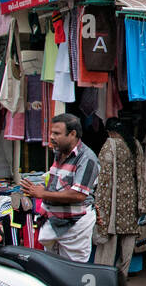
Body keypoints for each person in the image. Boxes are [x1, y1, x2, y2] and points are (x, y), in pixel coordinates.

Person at [23, 113, 100, 264]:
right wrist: (42, 189)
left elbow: (79, 195)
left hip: (74, 225)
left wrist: (43, 193)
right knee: (53, 269)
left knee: (73, 271)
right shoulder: (59, 152)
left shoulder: (87, 158)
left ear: (72, 134)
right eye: (51, 132)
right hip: (55, 222)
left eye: (57, 133)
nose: (52, 137)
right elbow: (58, 184)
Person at [93, 117, 146, 273]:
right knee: (128, 242)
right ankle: (122, 277)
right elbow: (140, 175)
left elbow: (103, 177)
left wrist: (99, 204)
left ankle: (103, 277)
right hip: (132, 200)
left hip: (113, 202)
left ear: (110, 131)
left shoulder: (109, 145)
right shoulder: (136, 144)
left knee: (108, 244)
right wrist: (142, 203)